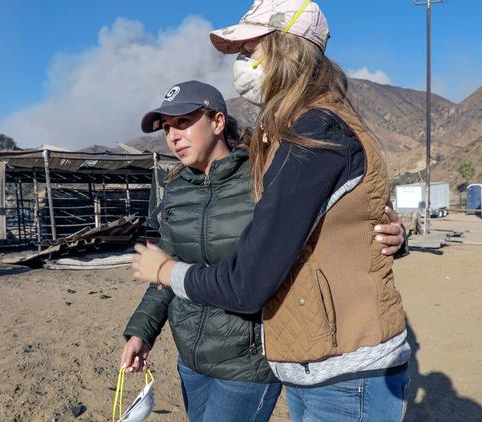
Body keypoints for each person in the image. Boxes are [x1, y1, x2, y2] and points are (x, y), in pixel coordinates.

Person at [132, 1, 411, 421]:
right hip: (292, 357)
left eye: (250, 50)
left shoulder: (310, 133)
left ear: (289, 48)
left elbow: (250, 278)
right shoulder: (276, 141)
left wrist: (166, 271)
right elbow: (332, 222)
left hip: (327, 367)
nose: (242, 64)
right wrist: (143, 328)